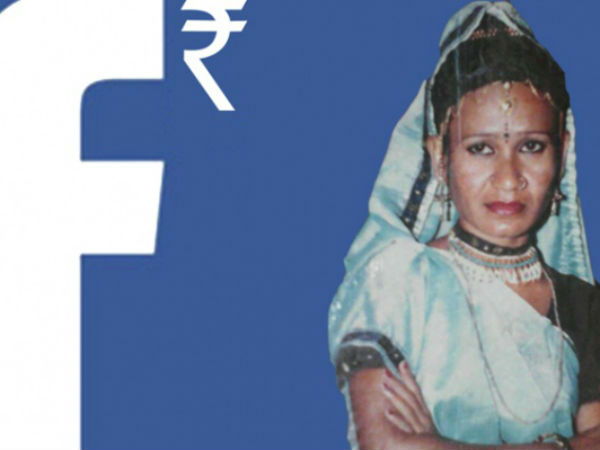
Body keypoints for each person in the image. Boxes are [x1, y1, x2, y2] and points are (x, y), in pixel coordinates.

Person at [328, 2, 600, 449]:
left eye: (531, 146)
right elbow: (386, 443)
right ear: (440, 156)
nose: (509, 178)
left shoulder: (583, 305)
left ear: (562, 152)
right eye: (480, 148)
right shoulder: (394, 284)